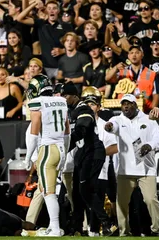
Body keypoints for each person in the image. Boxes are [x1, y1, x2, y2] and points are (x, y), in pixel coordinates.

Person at [104, 93, 159, 236]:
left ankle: (156, 230)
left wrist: (150, 145)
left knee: (151, 200)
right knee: (122, 203)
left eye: (129, 103)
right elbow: (113, 126)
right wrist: (109, 127)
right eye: (123, 103)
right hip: (125, 170)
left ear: (135, 105)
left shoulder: (148, 119)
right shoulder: (117, 119)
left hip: (146, 169)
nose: (125, 106)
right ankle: (124, 231)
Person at [61, 81, 115, 236]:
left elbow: (82, 129)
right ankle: (77, 228)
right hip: (83, 154)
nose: (64, 98)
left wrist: (64, 148)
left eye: (66, 95)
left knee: (85, 189)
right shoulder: (71, 111)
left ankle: (106, 222)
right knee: (78, 193)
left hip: (93, 152)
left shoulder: (83, 108)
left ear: (73, 96)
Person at [23, 74, 70, 236]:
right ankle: (53, 225)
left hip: (48, 149)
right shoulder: (62, 101)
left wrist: (28, 157)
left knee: (48, 192)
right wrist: (64, 152)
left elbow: (34, 131)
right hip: (60, 148)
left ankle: (55, 228)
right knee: (46, 189)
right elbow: (67, 131)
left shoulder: (38, 102)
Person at [82, 87, 118, 236]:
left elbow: (115, 147)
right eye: (87, 104)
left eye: (93, 104)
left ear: (98, 107)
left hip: (100, 169)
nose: (90, 107)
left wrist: (97, 154)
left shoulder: (105, 125)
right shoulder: (81, 123)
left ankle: (95, 230)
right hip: (84, 167)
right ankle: (97, 226)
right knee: (87, 197)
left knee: (95, 197)